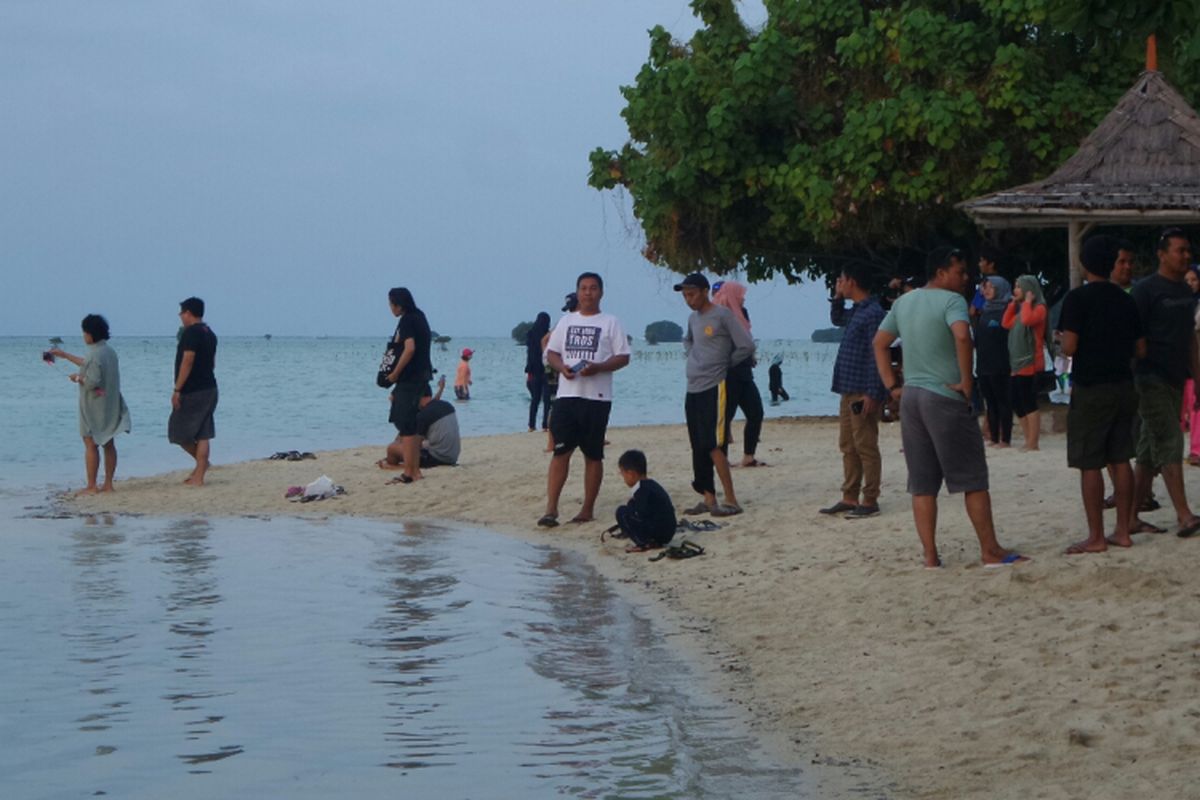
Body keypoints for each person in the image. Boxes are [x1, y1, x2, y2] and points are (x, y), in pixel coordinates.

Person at [872, 247, 1027, 568]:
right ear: (941, 273)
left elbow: (879, 343)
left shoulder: (904, 301)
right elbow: (961, 336)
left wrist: (892, 386)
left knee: (923, 483)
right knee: (972, 478)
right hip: (943, 395)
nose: (966, 277)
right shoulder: (952, 301)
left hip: (912, 397)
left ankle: (930, 556)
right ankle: (990, 550)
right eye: (960, 271)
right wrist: (967, 383)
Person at [1059, 235, 1145, 554]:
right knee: (1121, 458)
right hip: (1124, 383)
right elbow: (1140, 347)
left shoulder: (1077, 299)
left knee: (1089, 462)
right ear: (1112, 264)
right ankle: (1123, 530)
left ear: (1083, 264)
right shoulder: (1126, 299)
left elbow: (1069, 346)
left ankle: (1096, 535)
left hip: (1091, 385)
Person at [538, 272, 631, 526]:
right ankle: (551, 509)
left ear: (601, 292)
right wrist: (561, 368)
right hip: (567, 396)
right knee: (561, 452)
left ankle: (587, 509)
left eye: (593, 288)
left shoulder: (611, 322)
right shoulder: (566, 321)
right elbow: (552, 352)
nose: (588, 293)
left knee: (593, 454)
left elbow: (623, 356)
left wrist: (599, 366)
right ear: (577, 292)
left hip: (597, 398)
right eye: (583, 288)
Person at [1130, 229, 1200, 538]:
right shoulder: (1145, 290)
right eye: (1180, 250)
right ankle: (1184, 515)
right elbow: (1133, 334)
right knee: (1171, 441)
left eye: (1188, 251)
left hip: (1175, 378)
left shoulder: (1187, 293)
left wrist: (1198, 378)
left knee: (1148, 449)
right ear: (1162, 254)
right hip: (1149, 377)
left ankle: (1131, 515)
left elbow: (1191, 341)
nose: (1186, 256)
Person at [677, 272, 755, 516]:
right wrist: (694, 355)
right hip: (693, 387)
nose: (688, 299)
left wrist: (725, 363)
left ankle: (731, 499)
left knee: (713, 444)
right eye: (685, 296)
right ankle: (708, 498)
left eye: (691, 294)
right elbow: (688, 341)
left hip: (716, 386)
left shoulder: (723, 315)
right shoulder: (693, 319)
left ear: (704, 291)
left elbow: (746, 345)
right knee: (698, 445)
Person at [820, 264, 888, 518]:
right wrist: (836, 297)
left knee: (865, 444)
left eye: (841, 280)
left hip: (863, 388)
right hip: (848, 388)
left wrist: (873, 392)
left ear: (853, 281)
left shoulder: (873, 313)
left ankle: (870, 499)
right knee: (848, 444)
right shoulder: (858, 311)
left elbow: (876, 354)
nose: (839, 283)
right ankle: (850, 496)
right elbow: (837, 318)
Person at [48, 314, 131, 495]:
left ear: (91, 333)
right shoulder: (108, 351)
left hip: (94, 406)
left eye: (84, 332)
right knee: (108, 442)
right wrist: (65, 356)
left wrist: (76, 378)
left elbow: (92, 381)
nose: (83, 336)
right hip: (110, 403)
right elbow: (88, 364)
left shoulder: (94, 354)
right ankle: (108, 484)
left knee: (90, 442)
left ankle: (92, 485)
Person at [711, 279, 766, 467]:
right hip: (726, 374)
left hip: (744, 371)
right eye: (741, 295)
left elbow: (746, 339)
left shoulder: (742, 313)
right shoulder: (718, 315)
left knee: (756, 412)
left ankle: (748, 456)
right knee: (725, 418)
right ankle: (722, 459)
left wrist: (750, 356)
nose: (743, 299)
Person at [382, 287, 433, 484]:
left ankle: (411, 472)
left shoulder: (407, 320)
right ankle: (414, 471)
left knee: (406, 425)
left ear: (398, 304)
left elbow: (409, 349)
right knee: (411, 423)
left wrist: (394, 374)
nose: (390, 308)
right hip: (422, 375)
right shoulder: (420, 317)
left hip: (410, 377)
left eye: (391, 304)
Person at [168, 297, 218, 486]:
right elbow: (212, 363)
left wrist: (177, 389)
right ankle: (200, 473)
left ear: (188, 313)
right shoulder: (209, 333)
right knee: (203, 433)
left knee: (178, 432)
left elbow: (187, 360)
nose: (180, 316)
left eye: (182, 313)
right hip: (210, 387)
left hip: (193, 390)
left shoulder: (191, 333)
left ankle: (201, 466)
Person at [1002, 275, 1048, 451]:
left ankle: (1033, 442)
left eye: (1019, 287)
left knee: (1028, 400)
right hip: (1016, 363)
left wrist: (1028, 301)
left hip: (1030, 361)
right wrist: (1013, 305)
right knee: (1016, 400)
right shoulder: (1022, 310)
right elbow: (1006, 323)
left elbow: (1029, 320)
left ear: (1029, 289)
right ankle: (1028, 437)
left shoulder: (1040, 308)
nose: (1015, 291)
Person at [379, 375, 460, 469]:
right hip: (452, 457)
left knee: (392, 448)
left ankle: (393, 466)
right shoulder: (446, 405)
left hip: (437, 458)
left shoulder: (423, 415)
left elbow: (413, 444)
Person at [975, 276, 1014, 447]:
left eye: (991, 287)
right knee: (990, 403)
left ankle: (1005, 438)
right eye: (985, 287)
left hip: (1001, 363)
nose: (986, 290)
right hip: (984, 364)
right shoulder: (983, 311)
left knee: (1003, 401)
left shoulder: (1008, 310)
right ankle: (994, 437)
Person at [613, 449, 678, 552]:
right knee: (630, 506)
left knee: (622, 512)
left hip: (658, 533)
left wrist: (631, 507)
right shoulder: (651, 484)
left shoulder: (642, 490)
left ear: (631, 474)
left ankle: (643, 543)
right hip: (668, 532)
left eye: (623, 474)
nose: (623, 478)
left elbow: (641, 513)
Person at [1182, 266, 1200, 466]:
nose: (1190, 283)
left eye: (1194, 279)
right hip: (1180, 363)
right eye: (1187, 280)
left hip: (1197, 363)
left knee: (1196, 408)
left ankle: (1197, 449)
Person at [525, 311, 552, 432]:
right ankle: (545, 425)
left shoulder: (530, 334)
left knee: (534, 399)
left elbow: (529, 354)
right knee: (547, 399)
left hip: (533, 370)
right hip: (547, 370)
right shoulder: (548, 335)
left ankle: (531, 425)